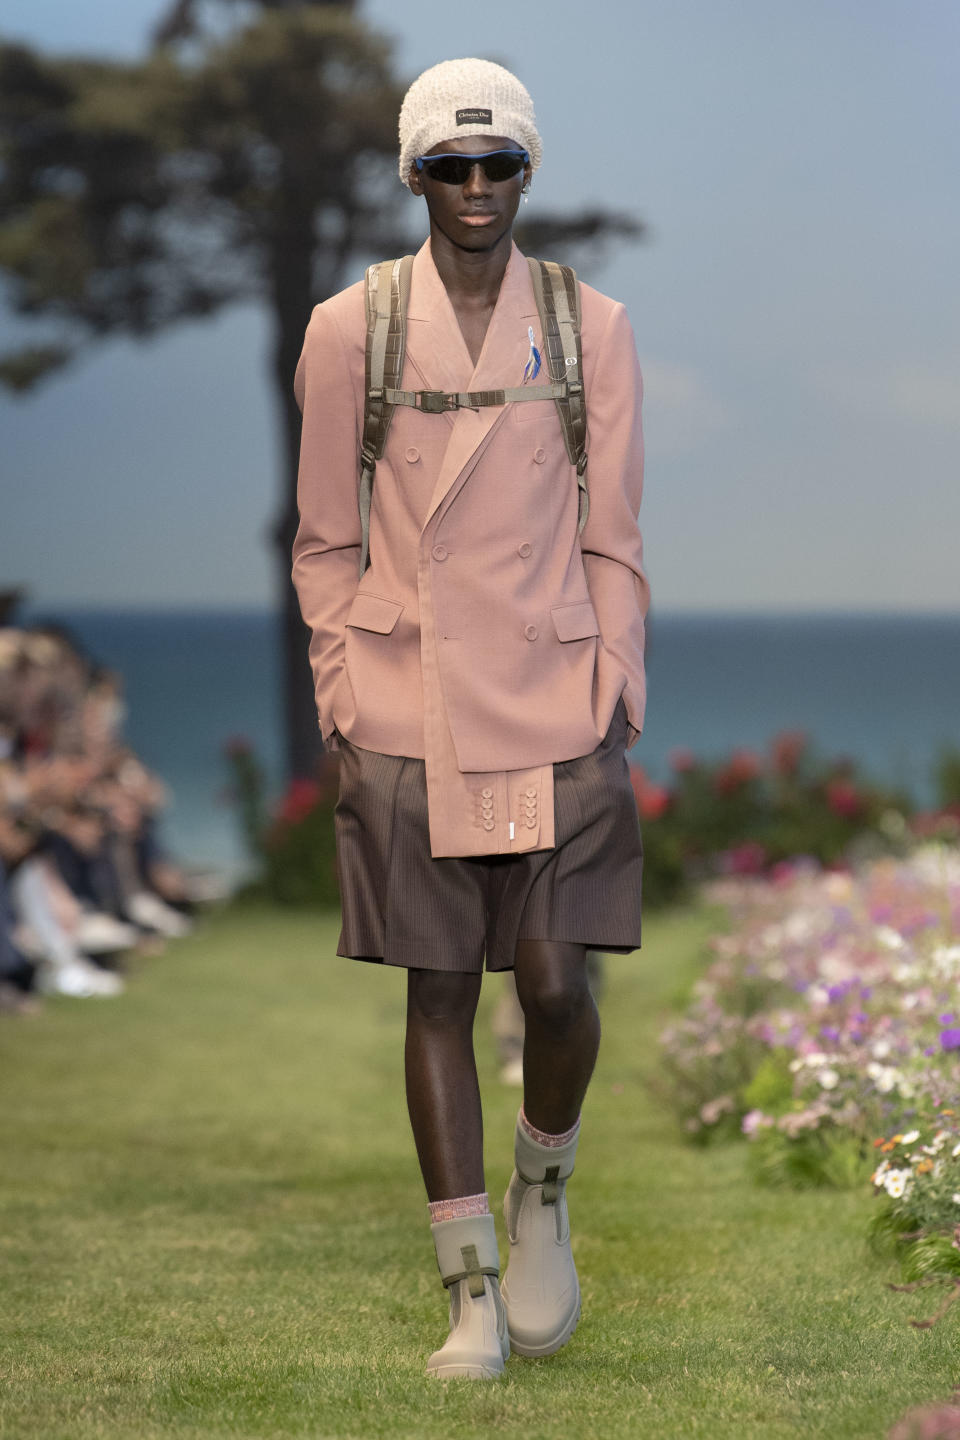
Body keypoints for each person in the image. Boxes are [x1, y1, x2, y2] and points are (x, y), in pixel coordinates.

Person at [291, 58, 649, 1380]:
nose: (480, 189)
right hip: (408, 694)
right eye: (454, 166)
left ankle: (541, 1188)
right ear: (417, 176)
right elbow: (326, 539)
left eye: (500, 166)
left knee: (557, 983)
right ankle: (468, 1296)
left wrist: (621, 672)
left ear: (528, 172)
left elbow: (614, 534)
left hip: (558, 694)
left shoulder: (592, 324)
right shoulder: (353, 330)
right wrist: (343, 683)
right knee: (441, 987)